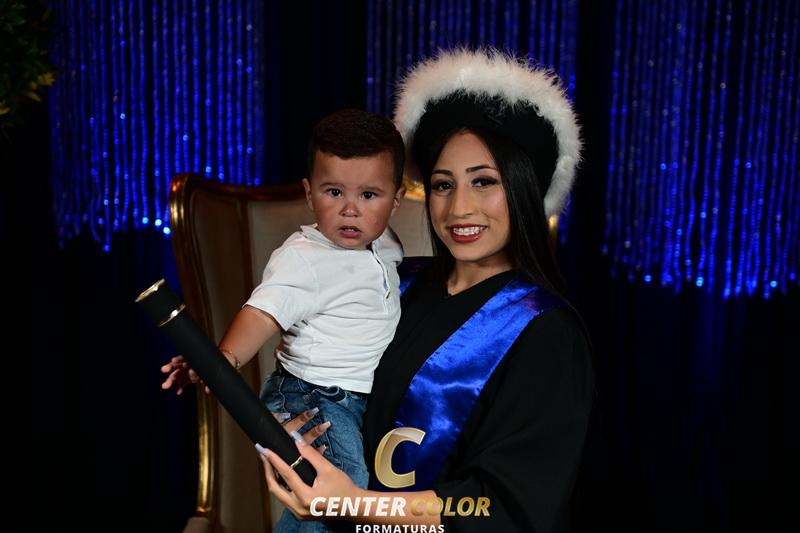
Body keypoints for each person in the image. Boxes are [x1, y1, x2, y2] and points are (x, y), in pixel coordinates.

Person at [258, 49, 594, 532]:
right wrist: (302, 431)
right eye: (442, 185)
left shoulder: (545, 333)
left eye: (484, 182)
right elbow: (332, 391)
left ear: (522, 189)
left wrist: (356, 505)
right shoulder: (397, 284)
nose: (459, 208)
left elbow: (501, 509)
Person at [161, 108, 407, 533]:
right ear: (309, 194)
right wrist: (220, 361)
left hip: (359, 400)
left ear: (396, 200)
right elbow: (261, 314)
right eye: (334, 192)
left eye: (369, 195)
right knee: (336, 492)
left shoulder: (385, 243)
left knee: (348, 497)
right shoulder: (304, 258)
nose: (350, 209)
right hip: (314, 396)